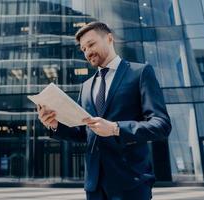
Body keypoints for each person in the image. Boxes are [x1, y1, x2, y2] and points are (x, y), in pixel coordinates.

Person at [37, 21, 171, 200]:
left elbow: (161, 125)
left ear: (109, 38)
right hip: (94, 186)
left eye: (91, 44)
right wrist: (54, 125)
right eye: (83, 49)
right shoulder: (85, 86)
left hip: (131, 184)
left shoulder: (140, 73)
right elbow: (84, 133)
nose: (87, 52)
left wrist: (116, 128)